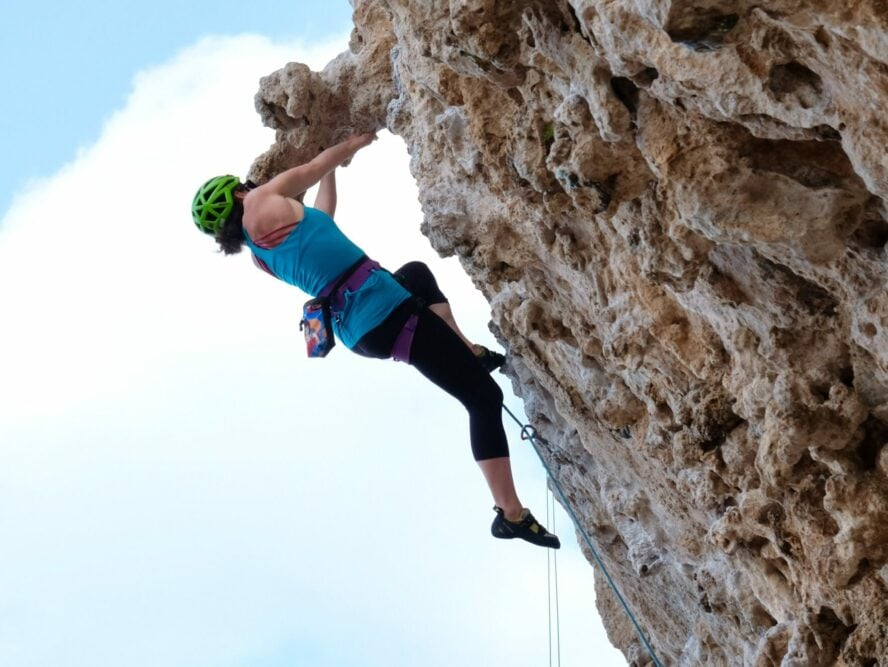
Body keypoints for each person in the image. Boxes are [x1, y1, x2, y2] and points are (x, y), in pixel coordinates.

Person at [191, 131, 560, 549]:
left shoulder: (262, 256)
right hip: (385, 311)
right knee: (482, 399)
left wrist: (333, 170)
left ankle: (470, 352)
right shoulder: (259, 202)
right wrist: (353, 142)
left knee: (417, 273)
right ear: (239, 194)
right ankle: (509, 512)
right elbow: (311, 170)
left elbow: (322, 219)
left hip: (366, 326)